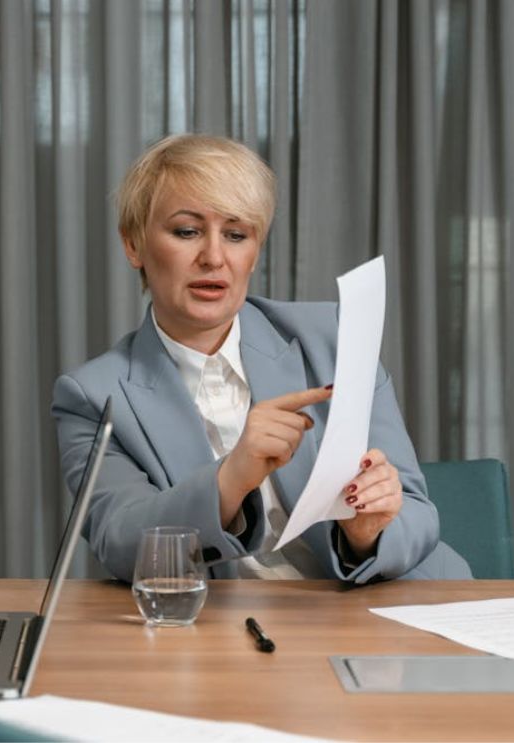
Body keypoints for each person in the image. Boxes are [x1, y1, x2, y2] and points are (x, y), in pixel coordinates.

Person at [51, 134, 470, 584]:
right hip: (224, 636)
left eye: (236, 235)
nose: (214, 257)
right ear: (133, 245)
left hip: (381, 613)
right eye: (187, 231)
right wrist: (231, 479)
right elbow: (122, 543)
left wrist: (368, 532)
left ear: (255, 251)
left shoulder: (335, 337)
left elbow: (417, 512)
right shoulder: (93, 396)